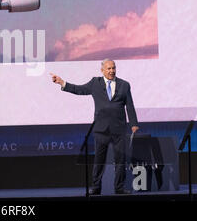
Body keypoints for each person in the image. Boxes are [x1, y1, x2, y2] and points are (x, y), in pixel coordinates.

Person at [50, 59, 139, 195]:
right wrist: (63, 83)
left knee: (120, 159)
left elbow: (130, 105)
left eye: (113, 68)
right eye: (108, 68)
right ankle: (96, 187)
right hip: (101, 129)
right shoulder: (95, 83)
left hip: (118, 128)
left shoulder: (124, 85)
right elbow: (79, 89)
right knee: (99, 160)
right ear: (102, 70)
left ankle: (119, 188)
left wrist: (134, 124)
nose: (111, 71)